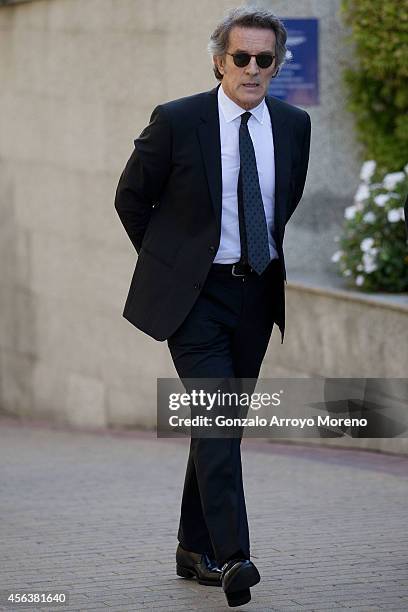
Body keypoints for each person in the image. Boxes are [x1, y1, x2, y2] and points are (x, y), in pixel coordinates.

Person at [114, 6, 311, 608]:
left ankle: (189, 547)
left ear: (277, 64)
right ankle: (234, 557)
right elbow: (131, 197)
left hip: (254, 295)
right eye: (241, 57)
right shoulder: (177, 120)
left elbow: (284, 204)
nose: (253, 69)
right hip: (195, 301)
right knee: (220, 422)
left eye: (265, 59)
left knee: (218, 428)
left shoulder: (295, 125)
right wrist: (174, 266)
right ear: (219, 61)